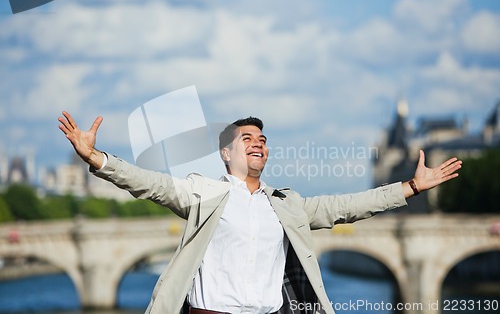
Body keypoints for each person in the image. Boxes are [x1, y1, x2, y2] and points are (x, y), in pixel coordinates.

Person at [58, 111, 462, 314]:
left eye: (263, 139)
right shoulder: (202, 193)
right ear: (226, 153)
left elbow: (345, 207)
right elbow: (151, 183)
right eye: (247, 138)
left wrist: (409, 188)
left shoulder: (286, 205)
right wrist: (97, 158)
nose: (258, 143)